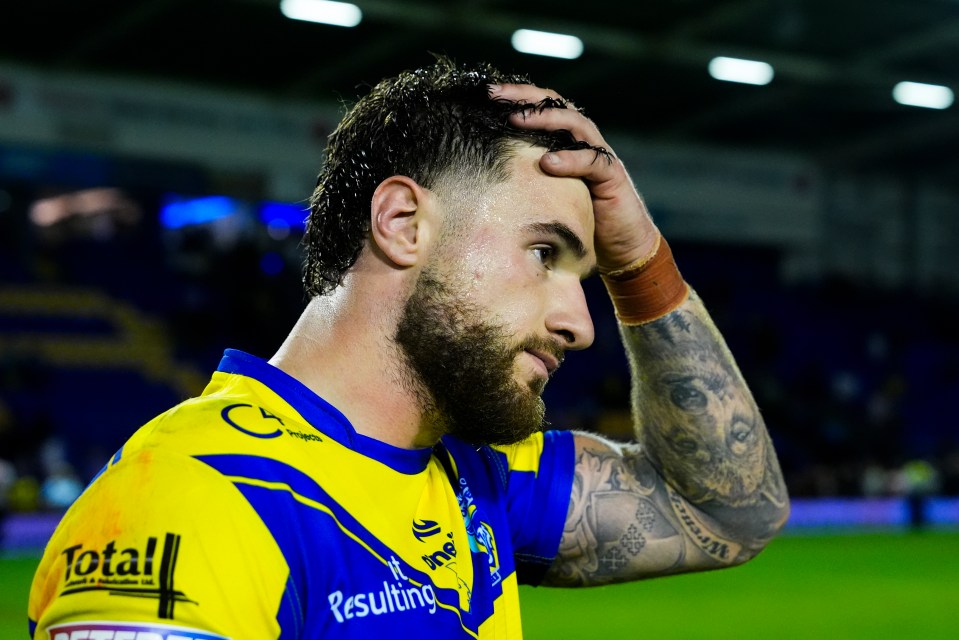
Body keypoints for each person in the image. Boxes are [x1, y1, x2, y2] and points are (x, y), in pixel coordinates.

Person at [28, 56, 790, 639]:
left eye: (588, 275)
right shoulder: (194, 498)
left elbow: (727, 513)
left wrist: (641, 261)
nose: (581, 324)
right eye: (543, 253)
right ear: (401, 223)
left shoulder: (482, 476)